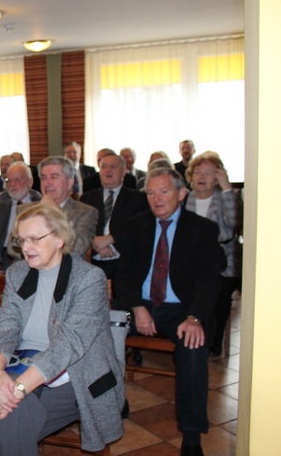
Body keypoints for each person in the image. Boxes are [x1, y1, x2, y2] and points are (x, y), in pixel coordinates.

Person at [0, 203, 124, 455]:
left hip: (79, 373)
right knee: (10, 415)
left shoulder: (88, 278)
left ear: (59, 238)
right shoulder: (17, 273)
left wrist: (15, 391)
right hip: (24, 365)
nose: (25, 248)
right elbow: (6, 325)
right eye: (21, 240)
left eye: (35, 239)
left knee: (5, 415)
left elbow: (69, 344)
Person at [115, 168, 222, 456]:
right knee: (104, 329)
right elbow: (123, 274)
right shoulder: (135, 225)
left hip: (183, 309)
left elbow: (209, 279)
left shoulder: (202, 229)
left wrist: (195, 317)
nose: (156, 198)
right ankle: (113, 400)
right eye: (151, 193)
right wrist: (136, 306)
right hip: (142, 304)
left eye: (164, 191)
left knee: (192, 345)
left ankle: (191, 434)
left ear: (181, 194)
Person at [185, 151, 242, 356]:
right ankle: (191, 333)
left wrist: (227, 187)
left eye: (209, 173)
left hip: (223, 259)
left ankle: (214, 342)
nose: (201, 177)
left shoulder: (224, 197)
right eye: (198, 172)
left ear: (218, 176)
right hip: (193, 258)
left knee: (218, 299)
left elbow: (236, 222)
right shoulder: (188, 197)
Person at [80, 152, 149, 281]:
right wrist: (95, 244)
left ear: (123, 172)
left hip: (124, 262)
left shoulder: (138, 198)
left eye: (113, 166)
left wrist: (111, 240)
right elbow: (80, 228)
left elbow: (139, 229)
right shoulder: (87, 198)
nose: (108, 170)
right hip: (92, 261)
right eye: (104, 167)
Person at [31, 156, 97, 256]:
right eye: (43, 177)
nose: (47, 183)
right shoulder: (26, 210)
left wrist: (57, 212)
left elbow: (77, 248)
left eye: (54, 177)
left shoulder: (86, 212)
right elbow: (13, 249)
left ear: (70, 182)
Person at [0, 162, 41, 273]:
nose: (12, 184)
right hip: (4, 259)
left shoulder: (39, 208)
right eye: (9, 180)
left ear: (29, 182)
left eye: (17, 180)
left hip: (33, 254)